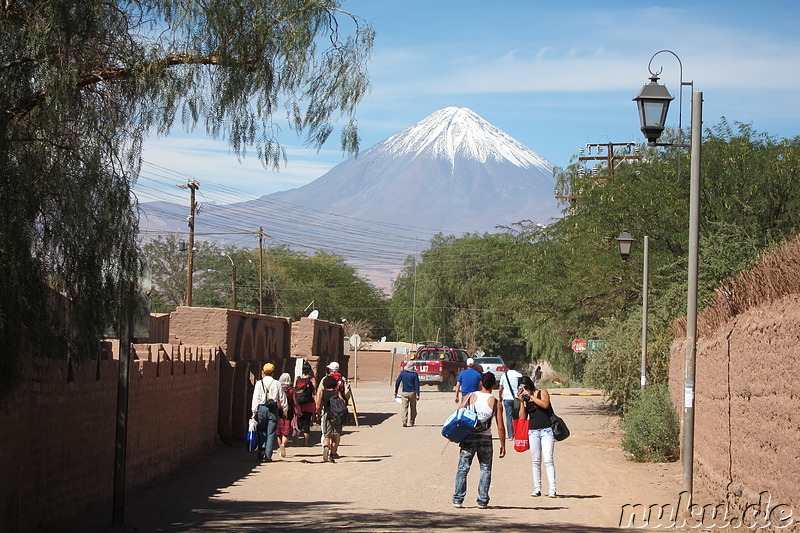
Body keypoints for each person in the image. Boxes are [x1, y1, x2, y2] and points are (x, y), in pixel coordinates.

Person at [452, 372, 506, 509]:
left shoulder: (470, 397)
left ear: (481, 383)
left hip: (469, 436)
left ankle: (458, 498)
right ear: (494, 385)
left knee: (463, 469)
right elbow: (500, 426)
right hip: (486, 438)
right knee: (485, 469)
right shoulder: (496, 403)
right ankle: (482, 500)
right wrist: (503, 445)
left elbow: (458, 413)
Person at [518, 375, 556, 498]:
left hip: (546, 431)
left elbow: (545, 405)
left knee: (548, 459)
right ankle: (537, 488)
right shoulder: (525, 399)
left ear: (529, 386)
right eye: (521, 388)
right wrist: (522, 402)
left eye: (524, 388)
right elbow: (522, 417)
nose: (523, 390)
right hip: (533, 432)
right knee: (535, 461)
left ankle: (552, 489)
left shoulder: (541, 392)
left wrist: (532, 397)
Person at [251, 362, 288, 463]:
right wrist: (285, 410)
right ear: (273, 372)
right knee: (271, 433)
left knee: (261, 431)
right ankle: (268, 454)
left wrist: (254, 411)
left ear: (263, 372)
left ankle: (262, 449)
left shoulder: (259, 383)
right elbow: (282, 398)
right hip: (273, 409)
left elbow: (255, 398)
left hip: (261, 409)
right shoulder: (277, 383)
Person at [316, 375, 346, 463]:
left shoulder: (322, 392)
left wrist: (317, 414)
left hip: (326, 415)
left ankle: (326, 446)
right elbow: (343, 401)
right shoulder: (337, 392)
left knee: (327, 435)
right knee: (335, 436)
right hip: (336, 416)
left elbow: (318, 405)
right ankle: (332, 455)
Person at [276, 373, 302, 458]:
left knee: (279, 431)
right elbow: (295, 402)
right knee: (286, 431)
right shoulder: (291, 390)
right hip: (288, 412)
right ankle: (283, 444)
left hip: (278, 411)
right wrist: (299, 411)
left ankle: (280, 449)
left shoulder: (278, 388)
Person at [497, 360, 523, 441]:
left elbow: (500, 388)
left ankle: (510, 435)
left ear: (507, 367)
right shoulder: (519, 375)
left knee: (509, 417)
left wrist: (500, 396)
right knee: (516, 416)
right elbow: (522, 386)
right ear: (515, 366)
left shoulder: (504, 375)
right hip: (516, 398)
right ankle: (517, 433)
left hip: (507, 398)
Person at [293, 362, 317, 447]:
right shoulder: (311, 379)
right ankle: (306, 442)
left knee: (299, 421)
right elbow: (314, 392)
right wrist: (316, 404)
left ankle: (296, 440)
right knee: (306, 421)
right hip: (308, 403)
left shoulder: (297, 378)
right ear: (309, 370)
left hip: (298, 403)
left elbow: (294, 391)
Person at [394, 362, 420, 427]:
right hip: (412, 393)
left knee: (404, 407)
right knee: (413, 408)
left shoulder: (402, 374)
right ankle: (411, 421)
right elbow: (417, 385)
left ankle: (404, 420)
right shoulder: (415, 375)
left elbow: (397, 382)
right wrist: (418, 394)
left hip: (404, 393)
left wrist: (396, 391)